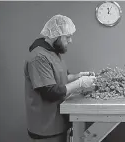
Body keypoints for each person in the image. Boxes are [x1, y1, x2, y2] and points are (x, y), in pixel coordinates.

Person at [24, 14, 96, 142]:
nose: (70, 40)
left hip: (59, 122)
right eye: (67, 37)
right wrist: (79, 83)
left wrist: (78, 76)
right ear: (56, 36)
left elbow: (61, 78)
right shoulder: (39, 57)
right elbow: (51, 92)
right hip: (46, 128)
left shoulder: (53, 53)